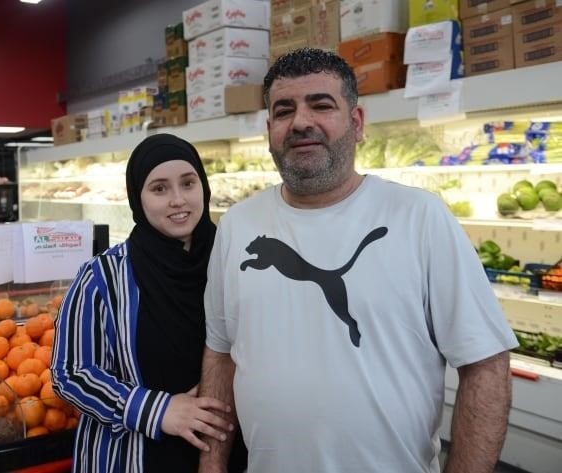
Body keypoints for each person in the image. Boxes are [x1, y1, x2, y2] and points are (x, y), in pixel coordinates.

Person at [198, 48, 518, 473]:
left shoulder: (420, 217)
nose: (301, 122)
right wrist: (212, 465)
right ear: (269, 129)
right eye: (284, 109)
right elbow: (220, 354)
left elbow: (486, 365)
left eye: (322, 104)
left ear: (357, 123)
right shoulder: (237, 225)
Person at [51, 133, 247, 473]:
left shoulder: (233, 264)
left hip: (229, 455)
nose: (178, 200)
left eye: (188, 183)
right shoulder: (103, 277)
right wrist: (157, 409)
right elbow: (70, 373)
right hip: (133, 457)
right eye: (159, 188)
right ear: (136, 198)